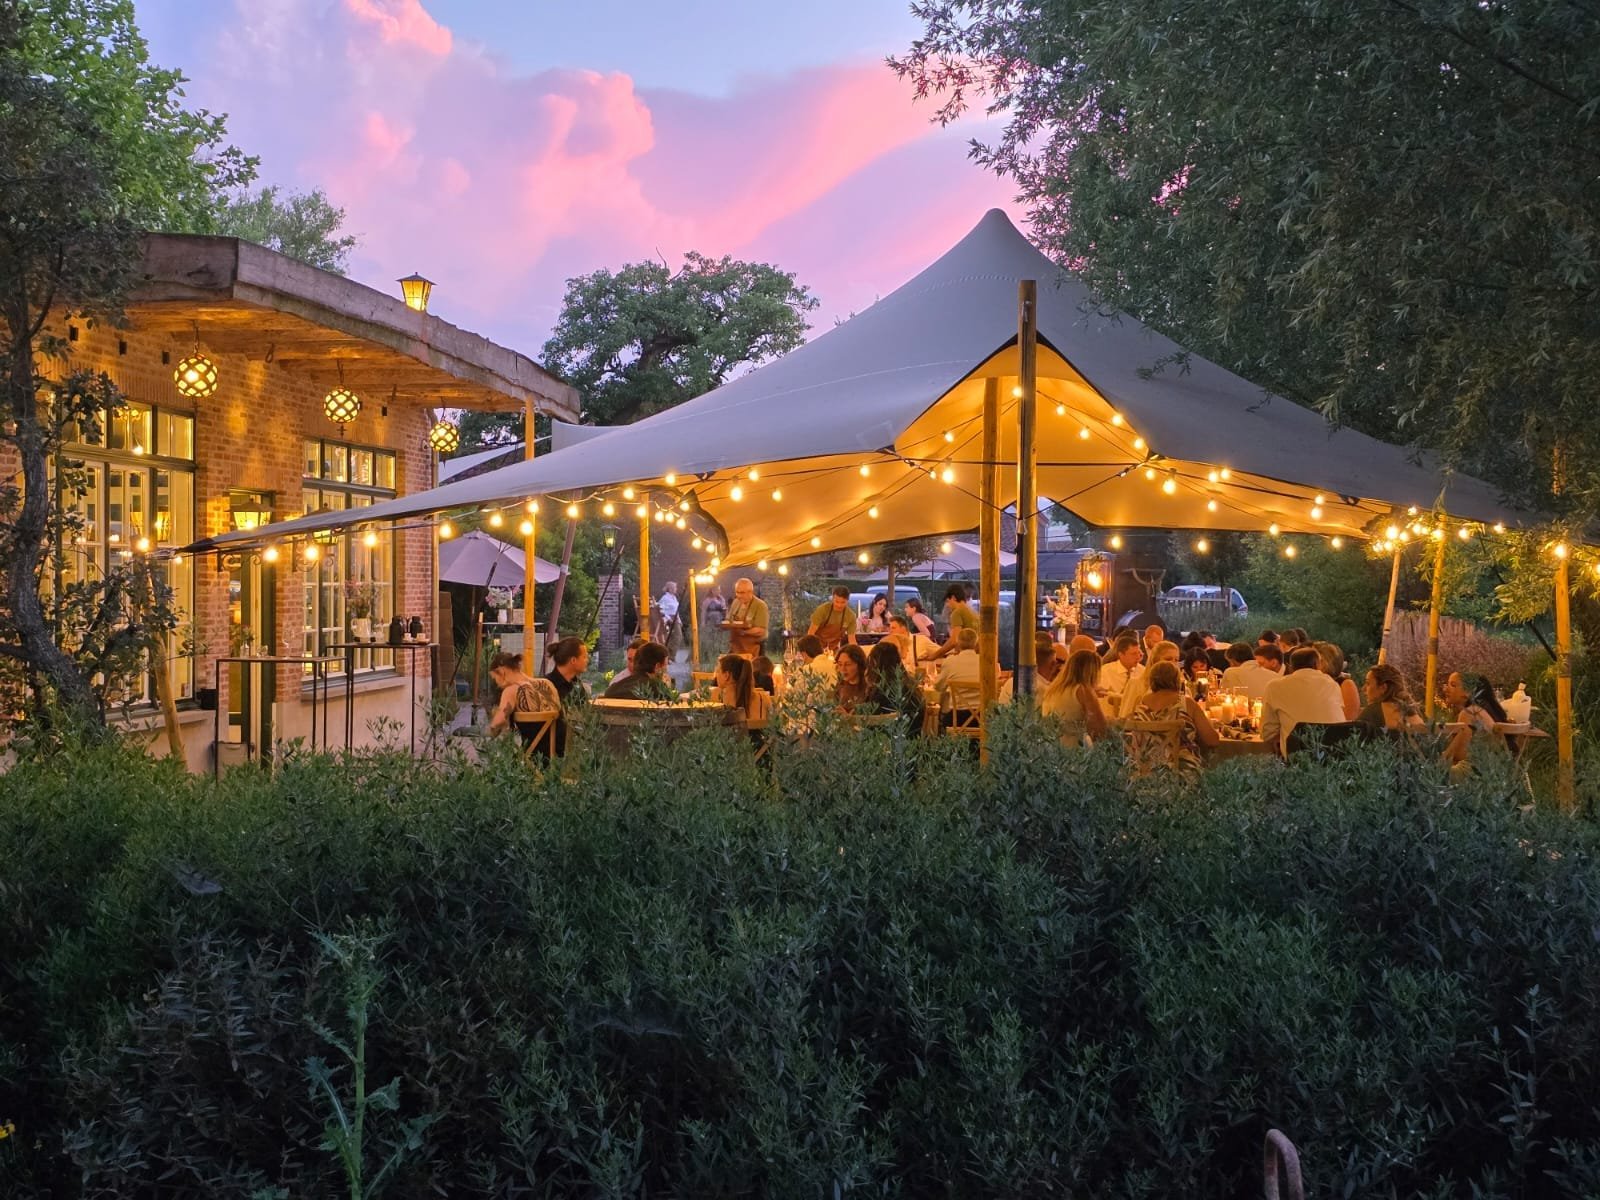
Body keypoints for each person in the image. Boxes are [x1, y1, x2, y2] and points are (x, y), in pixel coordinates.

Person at [1127, 660, 1220, 773]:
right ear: (1177, 679)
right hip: (1181, 772)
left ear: (1152, 681)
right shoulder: (1186, 703)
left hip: (1144, 771)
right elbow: (1212, 740)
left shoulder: (1140, 703)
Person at [1259, 646, 1346, 755]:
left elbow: (1267, 733)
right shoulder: (1332, 684)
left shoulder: (1275, 686)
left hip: (1298, 756)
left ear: (1291, 667)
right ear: (1318, 664)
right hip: (1335, 754)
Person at [487, 651, 563, 749]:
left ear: (502, 671)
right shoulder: (547, 683)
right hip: (560, 747)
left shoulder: (511, 690)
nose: (497, 683)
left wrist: (487, 735)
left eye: (495, 678)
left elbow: (499, 721)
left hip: (534, 751)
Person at [1040, 648, 1110, 746]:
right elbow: (1099, 730)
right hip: (1074, 748)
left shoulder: (1054, 689)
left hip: (1051, 746)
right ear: (1092, 672)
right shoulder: (1083, 691)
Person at [1442, 671, 1507, 767]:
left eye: (1453, 685)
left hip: (1476, 771)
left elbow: (1459, 755)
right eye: (1447, 684)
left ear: (1468, 692)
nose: (1445, 689)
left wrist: (1440, 757)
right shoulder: (1479, 709)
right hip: (1491, 769)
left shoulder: (1469, 713)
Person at [543, 635, 591, 756]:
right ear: (573, 660)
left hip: (575, 746)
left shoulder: (577, 684)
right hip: (551, 750)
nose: (587, 660)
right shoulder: (547, 685)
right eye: (584, 657)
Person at [865, 640, 926, 729]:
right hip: (912, 734)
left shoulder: (883, 691)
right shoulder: (910, 684)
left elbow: (872, 723)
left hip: (889, 735)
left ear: (874, 663)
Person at [1356, 663, 1424, 732]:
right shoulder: (1415, 712)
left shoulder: (1373, 712)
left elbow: (1353, 735)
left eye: (1368, 683)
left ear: (1383, 688)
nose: (1363, 688)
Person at [1120, 640, 1180, 718]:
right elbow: (1124, 717)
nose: (1173, 664)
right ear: (1155, 661)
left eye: (1176, 660)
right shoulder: (1135, 685)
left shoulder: (1183, 689)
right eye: (1168, 659)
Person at [601, 641, 676, 700]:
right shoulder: (657, 690)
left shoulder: (612, 689)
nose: (666, 669)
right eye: (666, 664)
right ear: (657, 666)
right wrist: (667, 689)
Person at [716, 653, 771, 728]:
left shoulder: (718, 701)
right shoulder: (763, 699)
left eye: (718, 671)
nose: (716, 675)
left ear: (726, 675)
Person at [929, 584, 979, 659]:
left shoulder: (957, 612)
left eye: (948, 601)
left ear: (953, 598)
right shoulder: (973, 612)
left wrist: (934, 655)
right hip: (977, 656)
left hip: (965, 658)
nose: (948, 605)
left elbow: (954, 640)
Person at [1314, 641, 1361, 721]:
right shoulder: (1314, 683)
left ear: (1325, 662)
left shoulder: (1346, 684)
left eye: (1314, 660)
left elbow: (1350, 718)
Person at [724, 577, 769, 656]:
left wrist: (744, 632)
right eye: (737, 592)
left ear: (750, 592)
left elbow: (761, 631)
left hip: (754, 649)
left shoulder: (760, 605)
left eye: (742, 593)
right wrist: (725, 625)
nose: (739, 596)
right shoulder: (735, 602)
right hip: (736, 648)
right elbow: (729, 620)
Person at [806, 585, 859, 651]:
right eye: (837, 601)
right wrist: (810, 649)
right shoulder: (823, 610)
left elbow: (852, 640)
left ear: (847, 601)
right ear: (832, 599)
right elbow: (811, 633)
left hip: (833, 649)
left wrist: (857, 652)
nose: (839, 605)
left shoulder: (851, 616)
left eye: (843, 602)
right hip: (817, 647)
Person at [1100, 635, 1144, 709]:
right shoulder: (1106, 671)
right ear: (1121, 654)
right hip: (1111, 713)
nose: (1137, 657)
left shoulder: (1142, 671)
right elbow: (1103, 697)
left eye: (1138, 653)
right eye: (1133, 654)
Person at [834, 643, 870, 709]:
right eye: (840, 664)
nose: (843, 669)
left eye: (848, 664)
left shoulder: (868, 689)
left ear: (859, 665)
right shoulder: (840, 685)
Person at [655, 580, 680, 646]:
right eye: (675, 587)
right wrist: (668, 618)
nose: (676, 589)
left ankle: (669, 649)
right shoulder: (665, 598)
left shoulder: (674, 598)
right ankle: (670, 651)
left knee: (675, 637)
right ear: (670, 589)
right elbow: (660, 610)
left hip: (676, 618)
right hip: (670, 619)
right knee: (678, 636)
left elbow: (676, 610)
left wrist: (679, 620)